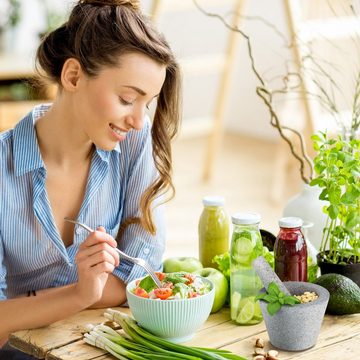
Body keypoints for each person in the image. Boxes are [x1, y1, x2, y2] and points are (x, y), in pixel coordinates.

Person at [0, 0, 181, 358]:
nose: (139, 121)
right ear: (73, 76)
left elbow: (144, 273)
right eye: (127, 98)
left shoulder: (133, 143)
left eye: (147, 103)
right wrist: (83, 293)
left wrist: (29, 306)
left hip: (97, 341)